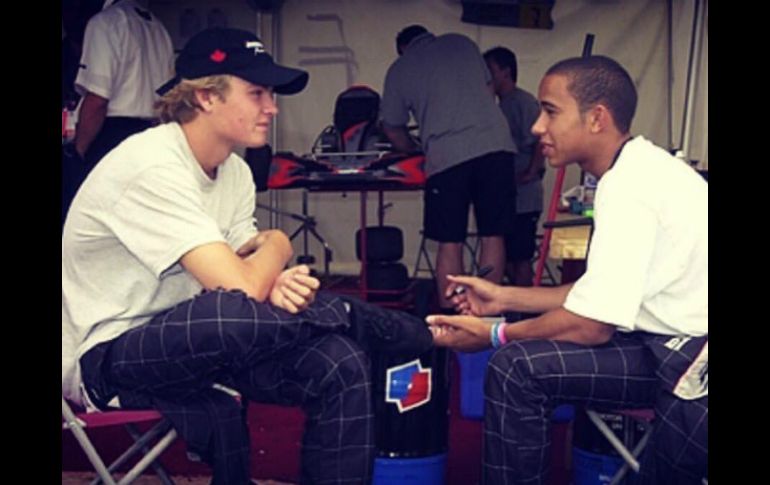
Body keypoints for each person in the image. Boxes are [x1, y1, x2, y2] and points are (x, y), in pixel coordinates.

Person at [62, 27, 433, 485]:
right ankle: (370, 321)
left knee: (339, 361)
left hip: (201, 342)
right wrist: (279, 243)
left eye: (271, 95)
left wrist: (272, 274)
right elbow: (242, 285)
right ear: (205, 97)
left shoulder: (234, 170)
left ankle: (356, 328)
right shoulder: (151, 164)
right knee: (228, 312)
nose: (272, 107)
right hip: (109, 355)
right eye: (256, 93)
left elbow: (251, 276)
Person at [427, 56, 707, 484]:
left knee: (515, 365)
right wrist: (503, 296)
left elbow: (591, 325)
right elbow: (598, 293)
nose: (537, 127)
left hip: (689, 363)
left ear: (596, 119)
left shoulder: (629, 186)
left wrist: (496, 333)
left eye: (550, 111)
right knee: (521, 362)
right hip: (666, 344)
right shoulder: (638, 168)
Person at [380, 25, 518, 312]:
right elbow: (489, 90)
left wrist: (413, 149)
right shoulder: (461, 42)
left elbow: (392, 127)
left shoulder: (400, 69)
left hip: (447, 156)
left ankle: (452, 311)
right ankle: (487, 309)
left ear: (403, 48)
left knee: (450, 240)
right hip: (496, 146)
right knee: (493, 234)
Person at [62, 0, 174, 222]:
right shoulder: (159, 29)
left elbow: (98, 99)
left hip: (111, 134)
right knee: (137, 215)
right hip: (152, 133)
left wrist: (79, 151)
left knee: (94, 215)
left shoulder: (105, 23)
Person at [483, 47, 545, 288]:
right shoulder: (498, 106)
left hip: (524, 196)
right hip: (506, 193)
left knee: (520, 256)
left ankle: (524, 304)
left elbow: (540, 139)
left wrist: (531, 171)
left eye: (490, 70)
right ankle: (513, 300)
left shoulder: (523, 102)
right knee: (505, 254)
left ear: (506, 71)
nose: (486, 76)